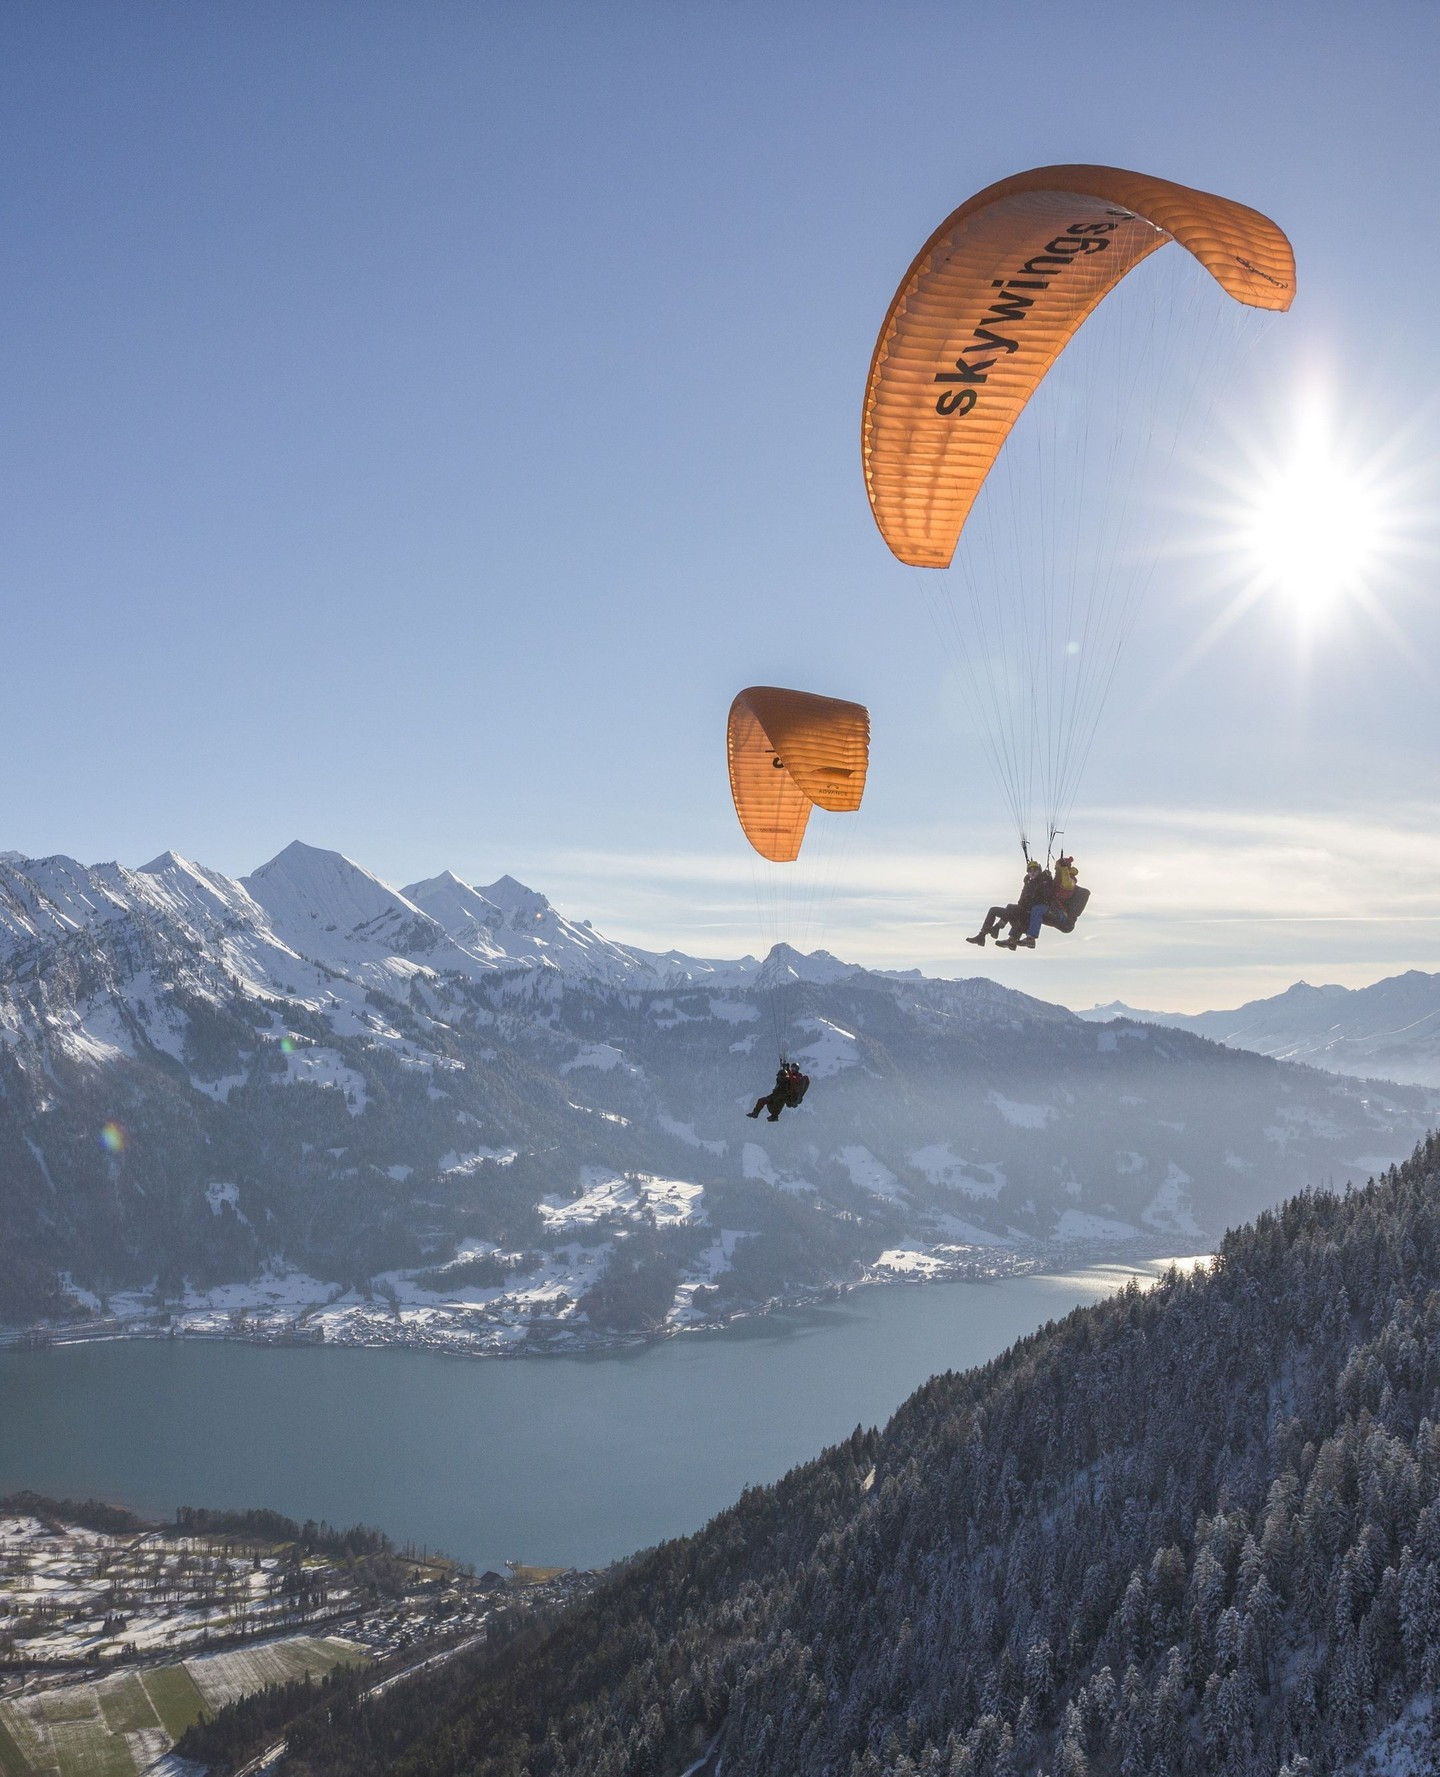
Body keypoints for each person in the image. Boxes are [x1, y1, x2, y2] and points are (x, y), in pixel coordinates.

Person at [966, 859, 1044, 947]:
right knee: (993, 910)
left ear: (1039, 871)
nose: (1032, 872)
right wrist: (1026, 884)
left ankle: (997, 927)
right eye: (1030, 871)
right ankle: (981, 936)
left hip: (1027, 918)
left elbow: (1036, 900)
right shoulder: (1029, 884)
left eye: (1035, 870)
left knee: (1010, 907)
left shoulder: (1042, 882)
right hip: (1019, 914)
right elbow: (1021, 901)